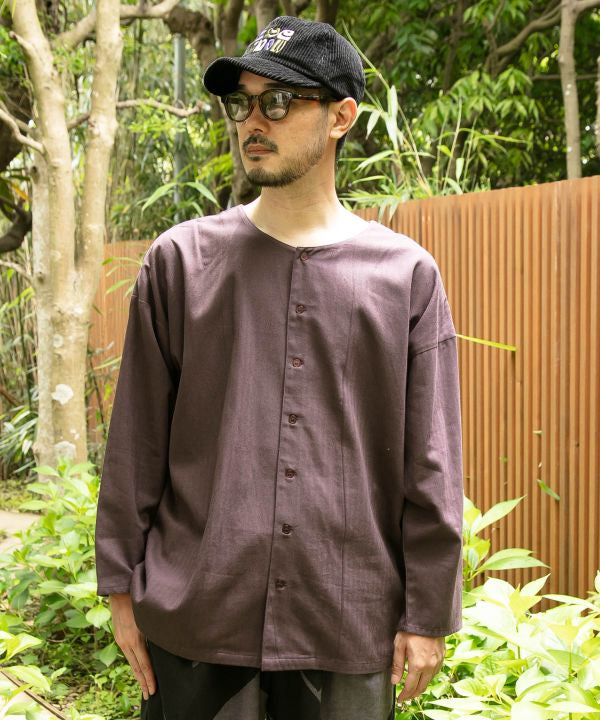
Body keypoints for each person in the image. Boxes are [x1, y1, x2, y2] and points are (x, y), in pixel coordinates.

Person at [94, 15, 464, 720]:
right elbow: (135, 442)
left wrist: (427, 612)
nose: (252, 122)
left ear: (341, 117)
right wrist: (119, 587)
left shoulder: (406, 277)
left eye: (280, 101)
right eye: (242, 102)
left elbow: (432, 460)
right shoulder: (180, 263)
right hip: (197, 616)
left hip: (345, 620)